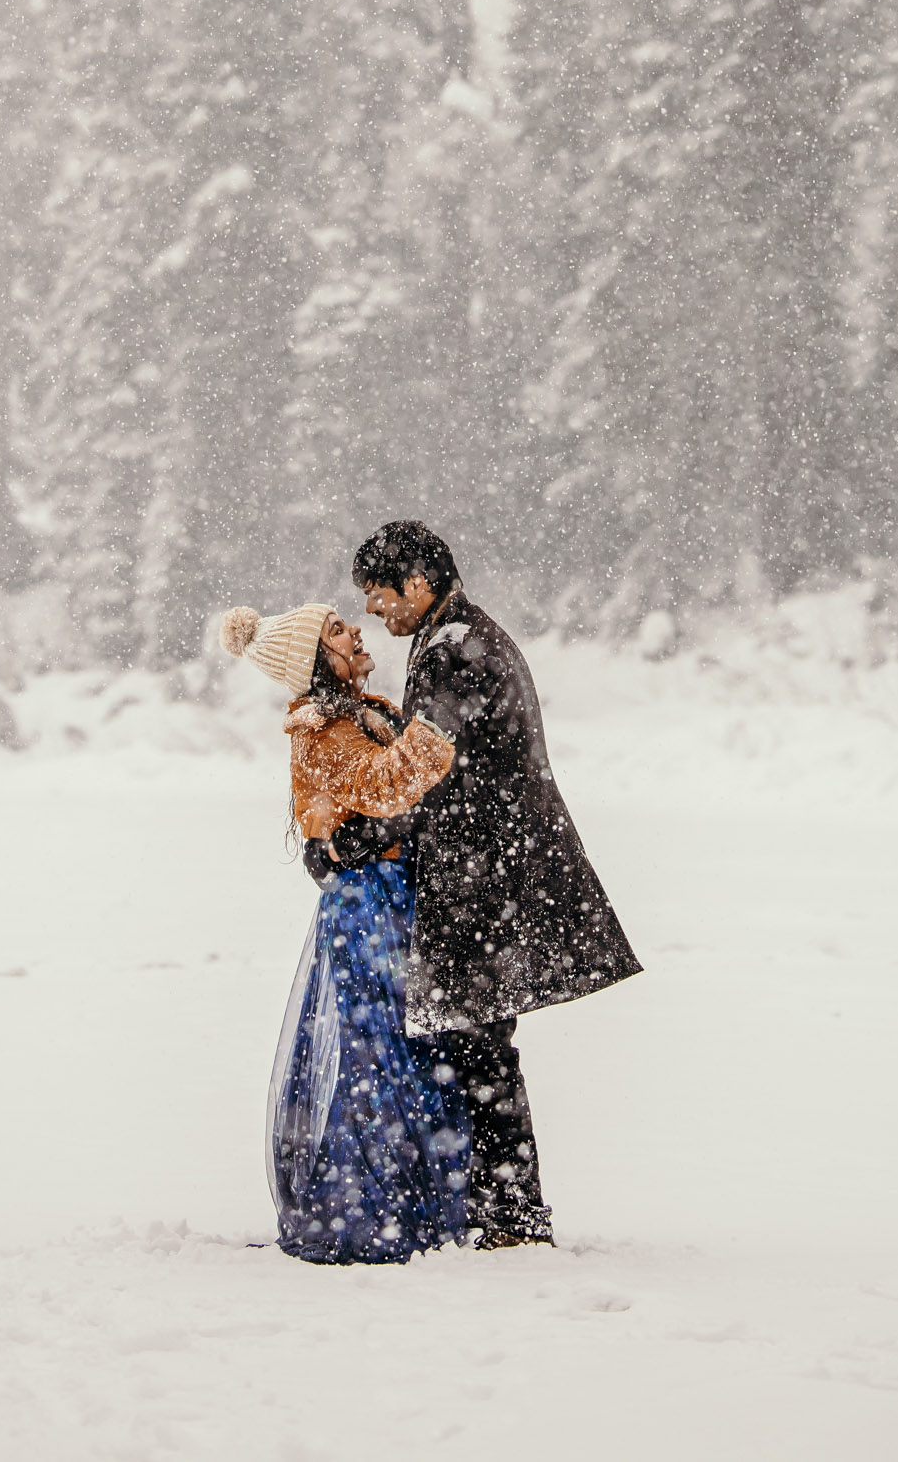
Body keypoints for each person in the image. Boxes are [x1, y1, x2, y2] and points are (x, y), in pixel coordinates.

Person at [312, 521, 641, 1250]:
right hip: (487, 865)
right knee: (477, 1043)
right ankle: (499, 1210)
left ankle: (511, 1219)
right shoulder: (455, 636)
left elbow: (424, 770)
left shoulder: (454, 649)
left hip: (487, 873)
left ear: (418, 583)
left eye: (378, 595)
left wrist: (357, 836)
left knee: (481, 1049)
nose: (373, 613)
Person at [220, 597, 470, 1264]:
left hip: (385, 895)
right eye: (335, 629)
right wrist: (436, 725)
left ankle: (394, 1202)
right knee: (376, 1053)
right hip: (368, 905)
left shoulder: (357, 713)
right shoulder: (322, 730)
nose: (353, 630)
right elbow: (385, 785)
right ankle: (369, 1209)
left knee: (395, 1049)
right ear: (313, 660)